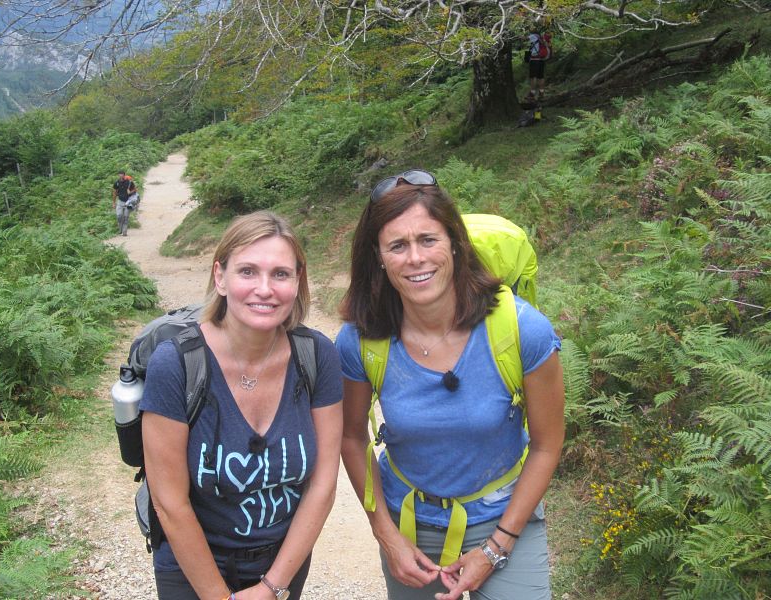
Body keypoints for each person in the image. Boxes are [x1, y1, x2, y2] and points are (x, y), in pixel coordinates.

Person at [336, 170, 565, 600]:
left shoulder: (520, 329)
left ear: (455, 243)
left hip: (503, 516)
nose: (415, 258)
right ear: (379, 257)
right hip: (410, 526)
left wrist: (497, 547)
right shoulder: (363, 337)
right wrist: (384, 533)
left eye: (428, 239)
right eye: (397, 246)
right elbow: (351, 437)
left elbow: (547, 444)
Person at [140, 210, 343, 600]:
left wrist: (272, 587)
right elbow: (170, 503)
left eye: (280, 274)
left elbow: (323, 485)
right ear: (220, 277)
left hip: (282, 562)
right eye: (247, 271)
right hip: (194, 562)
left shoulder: (317, 356)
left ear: (298, 281)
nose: (264, 289)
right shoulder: (177, 364)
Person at [526, 30, 552, 102]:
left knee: (533, 77)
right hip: (542, 60)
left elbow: (523, 38)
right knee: (540, 77)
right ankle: (541, 92)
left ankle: (532, 93)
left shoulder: (533, 36)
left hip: (534, 59)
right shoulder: (541, 37)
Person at [112, 170, 138, 236]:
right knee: (119, 216)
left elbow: (135, 190)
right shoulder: (117, 183)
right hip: (120, 201)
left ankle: (124, 232)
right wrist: (114, 203)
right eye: (119, 174)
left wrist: (130, 192)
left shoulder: (129, 182)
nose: (121, 175)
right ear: (118, 175)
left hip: (128, 202)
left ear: (124, 175)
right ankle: (120, 230)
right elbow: (114, 193)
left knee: (126, 217)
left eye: (122, 174)